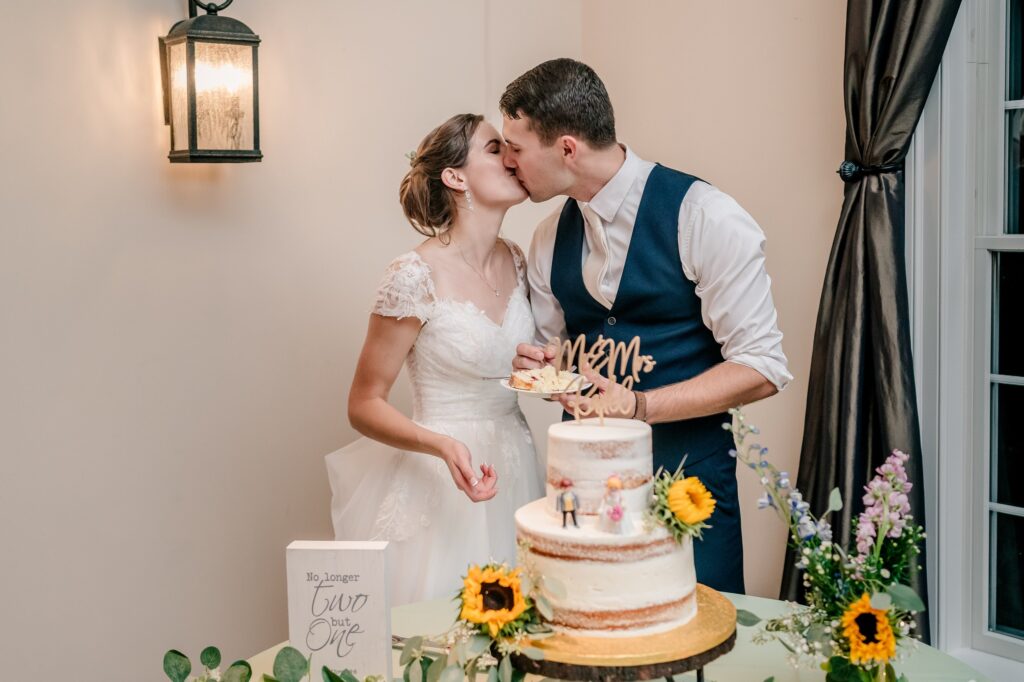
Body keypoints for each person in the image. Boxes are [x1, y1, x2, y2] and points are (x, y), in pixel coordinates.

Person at [503, 59, 792, 594]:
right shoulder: (547, 238)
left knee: (700, 646)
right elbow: (563, 359)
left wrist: (639, 406)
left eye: (516, 149)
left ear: (567, 148)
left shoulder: (705, 216)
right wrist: (548, 370)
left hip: (693, 490)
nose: (509, 163)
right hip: (589, 498)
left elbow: (762, 368)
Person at [326, 114, 543, 605]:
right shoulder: (413, 275)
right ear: (455, 176)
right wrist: (442, 446)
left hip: (515, 461)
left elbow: (508, 360)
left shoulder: (517, 260)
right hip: (443, 476)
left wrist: (537, 363)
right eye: (494, 148)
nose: (511, 157)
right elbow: (363, 403)